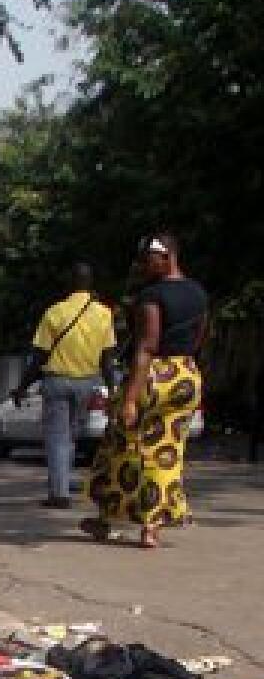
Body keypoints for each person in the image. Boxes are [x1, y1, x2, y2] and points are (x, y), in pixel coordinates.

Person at [82, 233, 208, 551]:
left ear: (167, 257)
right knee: (166, 452)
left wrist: (128, 399)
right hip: (187, 375)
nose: (143, 264)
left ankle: (106, 517)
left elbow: (147, 346)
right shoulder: (198, 293)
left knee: (120, 445)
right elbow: (201, 337)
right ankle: (152, 526)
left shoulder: (152, 296)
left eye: (149, 258)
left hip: (154, 376)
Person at [14, 262, 118, 509]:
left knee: (57, 438)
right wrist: (113, 390)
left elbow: (39, 356)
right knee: (71, 436)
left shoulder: (55, 312)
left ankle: (59, 494)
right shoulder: (104, 314)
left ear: (70, 283)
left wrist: (22, 387)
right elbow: (107, 358)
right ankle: (61, 483)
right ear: (90, 283)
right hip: (88, 384)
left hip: (58, 382)